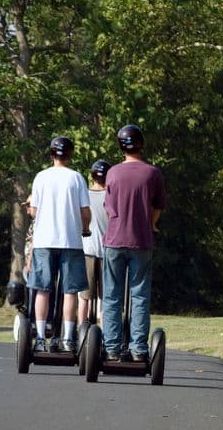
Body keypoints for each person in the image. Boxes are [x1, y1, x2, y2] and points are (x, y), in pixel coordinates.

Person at [101, 124, 165, 362]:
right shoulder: (152, 173)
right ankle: (138, 349)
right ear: (142, 144)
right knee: (139, 296)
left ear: (120, 146)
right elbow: (158, 207)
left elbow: (109, 209)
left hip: (115, 240)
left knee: (112, 296)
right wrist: (151, 223)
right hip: (142, 241)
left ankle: (112, 347)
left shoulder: (113, 173)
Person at [29, 136, 91, 353]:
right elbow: (85, 212)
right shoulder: (77, 178)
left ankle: (39, 336)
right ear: (70, 154)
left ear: (51, 154)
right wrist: (85, 228)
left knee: (43, 289)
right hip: (71, 241)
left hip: (44, 240)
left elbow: (34, 210)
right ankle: (67, 338)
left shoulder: (40, 177)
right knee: (69, 291)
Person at [78, 160, 111, 329]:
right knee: (105, 297)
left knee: (84, 295)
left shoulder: (84, 195)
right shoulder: (112, 196)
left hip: (87, 249)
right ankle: (106, 333)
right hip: (107, 250)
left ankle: (79, 330)